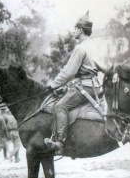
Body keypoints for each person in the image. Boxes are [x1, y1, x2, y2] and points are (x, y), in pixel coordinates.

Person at [44, 11, 109, 155]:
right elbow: (103, 67)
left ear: (80, 30)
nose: (73, 31)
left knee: (60, 106)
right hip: (94, 86)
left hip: (84, 87)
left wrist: (52, 85)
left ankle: (60, 143)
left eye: (75, 28)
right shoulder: (94, 45)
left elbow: (68, 72)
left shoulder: (80, 48)